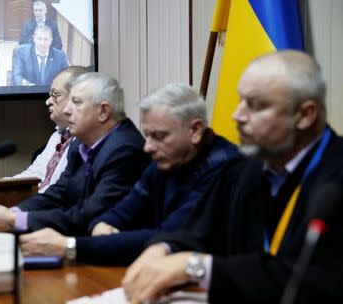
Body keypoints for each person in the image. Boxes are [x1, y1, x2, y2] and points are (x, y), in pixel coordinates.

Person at [122, 50, 343, 304]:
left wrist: (196, 267)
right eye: (240, 100)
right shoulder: (245, 169)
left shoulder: (335, 177)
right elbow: (197, 231)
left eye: (255, 105)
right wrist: (162, 248)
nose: (237, 115)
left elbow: (312, 282)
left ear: (305, 115)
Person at [17, 83, 241, 265]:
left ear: (194, 130)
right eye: (148, 135)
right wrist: (103, 224)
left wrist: (70, 246)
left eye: (159, 136)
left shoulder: (224, 166)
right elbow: (125, 209)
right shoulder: (165, 158)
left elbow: (170, 235)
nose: (148, 146)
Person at [0, 72, 150, 235]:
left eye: (77, 103)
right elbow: (59, 192)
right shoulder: (80, 144)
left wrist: (15, 220)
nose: (67, 110)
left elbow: (91, 214)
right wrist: (13, 212)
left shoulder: (125, 150)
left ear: (103, 111)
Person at [13, 65, 88, 192]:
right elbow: (34, 175)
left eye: (55, 95)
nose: (48, 101)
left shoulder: (86, 142)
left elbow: (61, 193)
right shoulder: (57, 136)